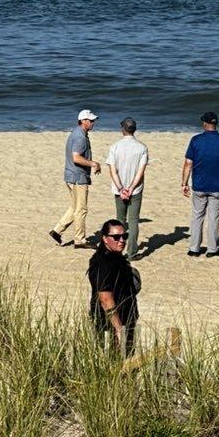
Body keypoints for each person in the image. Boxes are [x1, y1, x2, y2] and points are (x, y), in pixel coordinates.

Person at [182, 111, 219, 257]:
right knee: (214, 218)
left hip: (200, 184)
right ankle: (212, 249)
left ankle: (194, 248)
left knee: (197, 216)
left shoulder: (196, 140)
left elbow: (188, 163)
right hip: (218, 185)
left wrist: (184, 183)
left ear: (205, 124)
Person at [49, 109, 101, 248]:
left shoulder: (77, 133)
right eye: (90, 120)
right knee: (81, 209)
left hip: (71, 175)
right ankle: (80, 240)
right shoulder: (80, 137)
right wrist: (93, 163)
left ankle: (56, 231)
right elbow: (76, 158)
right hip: (78, 177)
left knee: (74, 207)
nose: (93, 122)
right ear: (83, 121)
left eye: (93, 120)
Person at [88, 219, 139, 356]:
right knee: (115, 362)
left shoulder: (117, 258)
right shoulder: (103, 263)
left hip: (126, 320)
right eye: (116, 237)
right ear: (105, 239)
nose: (121, 240)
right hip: (111, 326)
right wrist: (118, 328)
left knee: (127, 359)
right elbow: (105, 299)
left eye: (124, 236)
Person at [105, 117, 149, 260]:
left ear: (122, 129)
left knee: (120, 220)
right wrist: (130, 188)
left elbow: (113, 171)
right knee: (134, 220)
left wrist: (121, 188)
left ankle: (117, 249)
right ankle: (131, 252)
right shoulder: (142, 147)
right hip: (135, 189)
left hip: (119, 189)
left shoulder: (115, 147)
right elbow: (140, 172)